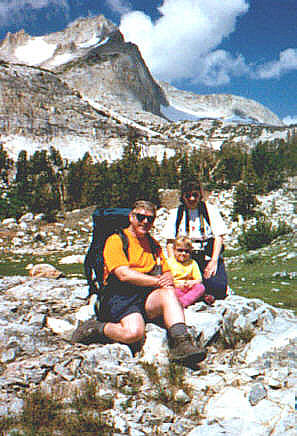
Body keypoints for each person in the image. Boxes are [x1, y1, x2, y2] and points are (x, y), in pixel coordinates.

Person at [71, 200, 207, 365]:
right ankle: (96, 328)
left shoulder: (153, 244)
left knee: (168, 293)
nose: (145, 222)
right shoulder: (116, 240)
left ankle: (181, 343)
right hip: (119, 296)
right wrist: (157, 281)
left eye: (150, 219)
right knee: (133, 333)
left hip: (144, 294)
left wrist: (167, 278)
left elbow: (166, 271)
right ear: (131, 217)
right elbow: (123, 275)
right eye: (140, 217)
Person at [162, 180, 228, 300]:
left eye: (195, 195)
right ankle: (200, 294)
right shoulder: (176, 213)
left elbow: (219, 237)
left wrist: (214, 261)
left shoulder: (210, 210)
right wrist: (173, 264)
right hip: (185, 256)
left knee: (219, 288)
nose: (192, 199)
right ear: (183, 196)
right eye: (188, 195)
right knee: (178, 284)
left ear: (200, 195)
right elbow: (170, 242)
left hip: (206, 256)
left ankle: (202, 293)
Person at [168, 236, 214, 307]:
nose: (183, 253)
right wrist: (176, 284)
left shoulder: (192, 263)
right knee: (170, 291)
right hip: (176, 287)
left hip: (188, 287)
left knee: (200, 287)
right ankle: (194, 299)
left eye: (186, 251)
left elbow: (199, 279)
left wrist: (192, 282)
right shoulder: (169, 262)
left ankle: (182, 302)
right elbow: (166, 279)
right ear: (174, 250)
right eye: (180, 250)